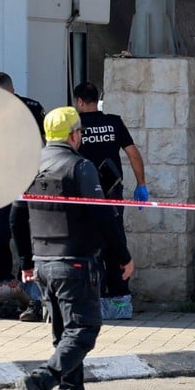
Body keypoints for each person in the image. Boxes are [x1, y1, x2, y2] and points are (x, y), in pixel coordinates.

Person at [12, 107, 132, 390]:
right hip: (75, 262)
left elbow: (15, 216)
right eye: (79, 132)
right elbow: (103, 217)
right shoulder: (80, 166)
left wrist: (25, 261)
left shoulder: (30, 166)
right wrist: (123, 256)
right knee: (84, 330)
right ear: (73, 135)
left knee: (65, 337)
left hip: (43, 265)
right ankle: (39, 381)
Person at [72, 82, 147, 320]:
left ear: (80, 102)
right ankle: (121, 301)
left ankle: (97, 301)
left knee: (91, 246)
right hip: (112, 193)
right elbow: (133, 152)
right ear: (97, 99)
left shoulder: (76, 127)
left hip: (85, 195)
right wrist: (141, 184)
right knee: (116, 242)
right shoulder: (114, 122)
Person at [0, 71, 46, 321]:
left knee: (27, 236)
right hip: (1, 181)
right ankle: (1, 281)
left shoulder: (31, 108)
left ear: (10, 91)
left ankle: (31, 293)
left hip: (30, 182)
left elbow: (48, 140)